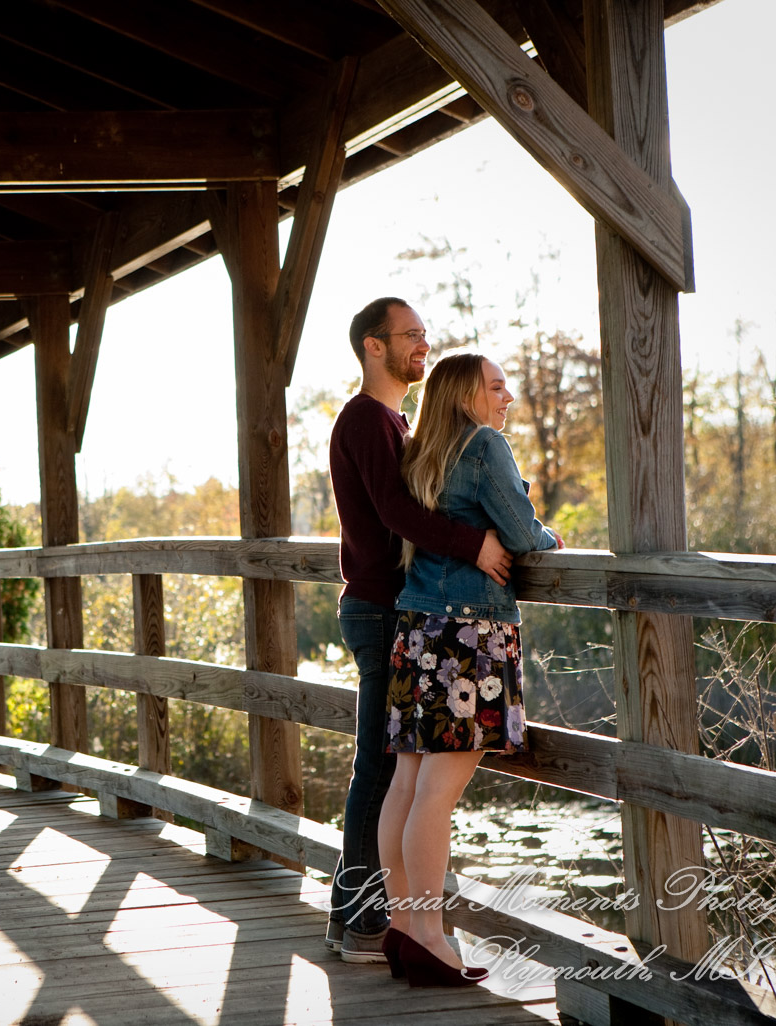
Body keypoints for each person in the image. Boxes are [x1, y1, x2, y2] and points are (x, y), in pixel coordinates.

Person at [326, 297, 513, 965]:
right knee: (378, 770)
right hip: (381, 609)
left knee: (390, 768)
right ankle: (365, 923)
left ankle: (361, 918)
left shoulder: (394, 421)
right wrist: (474, 544)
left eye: (423, 336)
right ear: (372, 347)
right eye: (408, 337)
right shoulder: (366, 419)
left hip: (395, 607)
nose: (421, 347)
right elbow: (396, 511)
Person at [377, 351, 562, 987]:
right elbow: (520, 531)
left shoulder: (422, 450)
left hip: (418, 630)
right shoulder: (484, 444)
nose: (506, 397)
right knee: (437, 795)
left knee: (407, 786)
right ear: (465, 396)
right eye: (496, 386)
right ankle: (429, 936)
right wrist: (548, 539)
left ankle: (405, 930)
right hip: (468, 636)